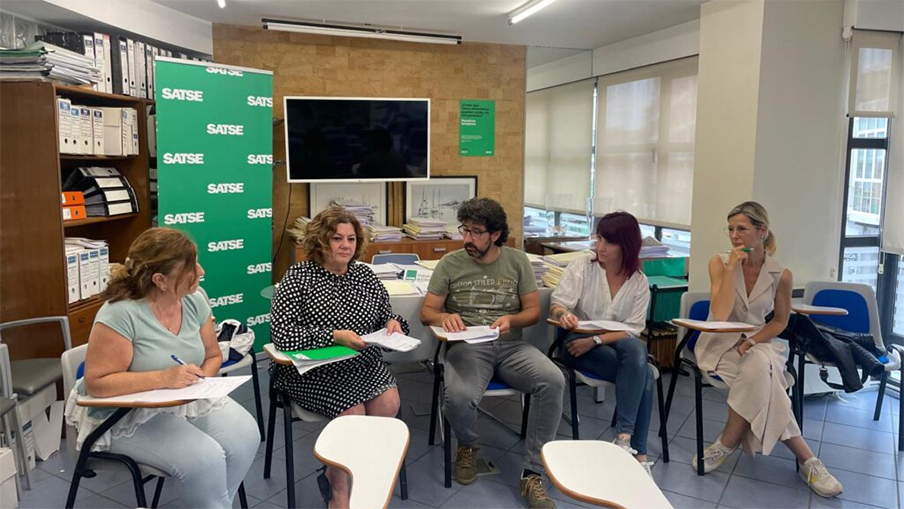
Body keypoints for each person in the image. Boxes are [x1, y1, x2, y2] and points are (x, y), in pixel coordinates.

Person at [63, 228, 258, 509]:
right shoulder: (119, 312)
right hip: (122, 413)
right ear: (160, 280)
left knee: (246, 436)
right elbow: (97, 383)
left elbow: (213, 355)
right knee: (205, 459)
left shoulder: (195, 298)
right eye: (191, 267)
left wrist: (204, 377)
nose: (201, 271)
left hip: (180, 399)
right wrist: (165, 377)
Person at [420, 197, 564, 509]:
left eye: (476, 232)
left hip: (511, 344)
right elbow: (427, 311)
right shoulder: (451, 263)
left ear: (496, 234)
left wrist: (511, 320)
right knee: (459, 396)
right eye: (465, 230)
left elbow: (532, 313)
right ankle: (469, 445)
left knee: (552, 379)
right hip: (468, 346)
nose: (467, 239)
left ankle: (533, 473)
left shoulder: (517, 261)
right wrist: (444, 317)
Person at [693, 201, 843, 497]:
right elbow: (721, 314)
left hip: (757, 342)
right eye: (731, 229)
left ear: (761, 231)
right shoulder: (719, 263)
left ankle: (726, 442)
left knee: (759, 367)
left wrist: (750, 341)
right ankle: (808, 460)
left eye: (742, 229)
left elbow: (780, 322)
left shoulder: (780, 275)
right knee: (768, 382)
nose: (734, 236)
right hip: (719, 343)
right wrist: (732, 267)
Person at [270, 206, 408, 509]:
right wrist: (334, 336)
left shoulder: (365, 275)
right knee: (353, 414)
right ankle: (339, 486)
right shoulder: (298, 276)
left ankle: (348, 468)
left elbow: (386, 317)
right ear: (321, 241)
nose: (346, 245)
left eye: (351, 239)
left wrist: (393, 324)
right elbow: (282, 334)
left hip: (362, 363)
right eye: (337, 238)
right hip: (313, 368)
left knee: (389, 403)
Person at [549, 211, 655, 477]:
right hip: (576, 342)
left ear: (626, 246)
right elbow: (558, 304)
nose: (601, 247)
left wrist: (596, 339)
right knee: (643, 375)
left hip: (609, 341)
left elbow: (633, 330)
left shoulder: (639, 281)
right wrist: (564, 315)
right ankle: (637, 454)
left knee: (636, 351)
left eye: (609, 242)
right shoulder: (583, 266)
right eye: (599, 239)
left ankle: (624, 439)